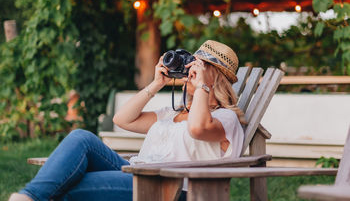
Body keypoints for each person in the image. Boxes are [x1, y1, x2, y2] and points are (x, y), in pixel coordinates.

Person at [9, 40, 245, 201]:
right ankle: (26, 197)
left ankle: (29, 197)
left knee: (67, 187)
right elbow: (122, 119)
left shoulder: (225, 118)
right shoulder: (172, 113)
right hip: (137, 174)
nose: (192, 69)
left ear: (216, 76)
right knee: (82, 137)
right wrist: (157, 83)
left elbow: (196, 128)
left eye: (201, 65)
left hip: (171, 190)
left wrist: (203, 85)